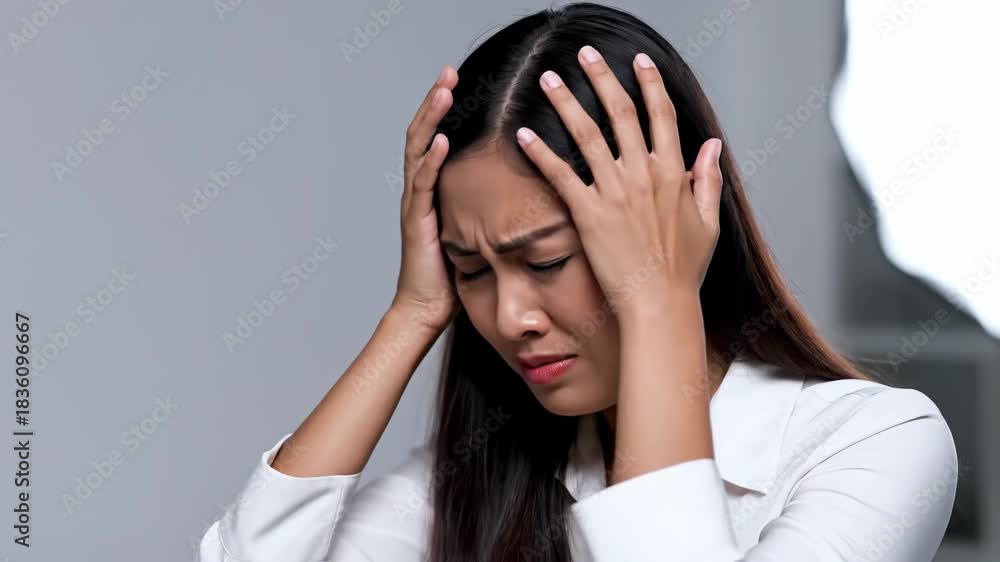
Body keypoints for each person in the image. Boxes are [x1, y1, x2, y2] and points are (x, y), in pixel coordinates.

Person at [197, 3, 957, 561]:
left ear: (673, 225)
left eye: (547, 262)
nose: (510, 317)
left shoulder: (874, 444)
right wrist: (414, 310)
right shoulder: (475, 475)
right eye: (471, 272)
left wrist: (659, 300)